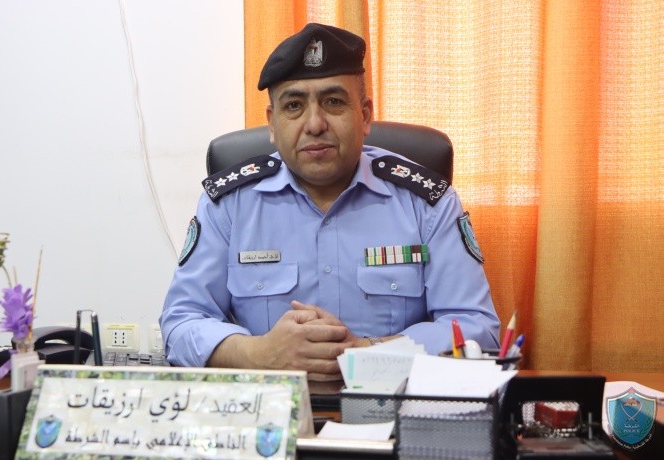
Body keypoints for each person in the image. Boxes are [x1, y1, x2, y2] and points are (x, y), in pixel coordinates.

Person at [160, 23, 500, 381]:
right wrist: (260, 353)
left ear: (364, 115)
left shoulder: (426, 202)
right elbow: (181, 323)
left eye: (333, 102)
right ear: (272, 124)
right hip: (271, 406)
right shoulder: (229, 205)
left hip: (392, 403)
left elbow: (476, 327)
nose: (315, 124)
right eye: (294, 106)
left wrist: (369, 354)